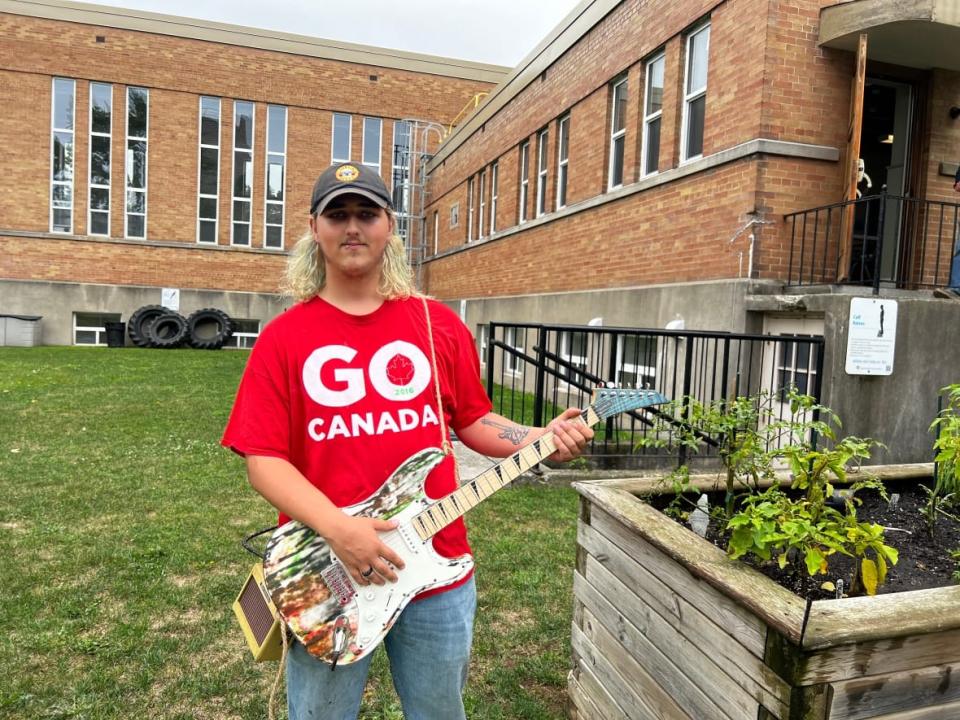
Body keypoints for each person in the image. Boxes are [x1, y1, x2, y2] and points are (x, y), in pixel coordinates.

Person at [221, 162, 593, 720]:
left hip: (436, 564)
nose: (353, 227)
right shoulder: (284, 338)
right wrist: (341, 529)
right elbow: (264, 460)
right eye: (338, 214)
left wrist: (538, 438)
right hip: (326, 567)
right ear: (314, 227)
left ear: (389, 225)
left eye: (367, 214)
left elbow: (473, 421)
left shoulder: (435, 323)